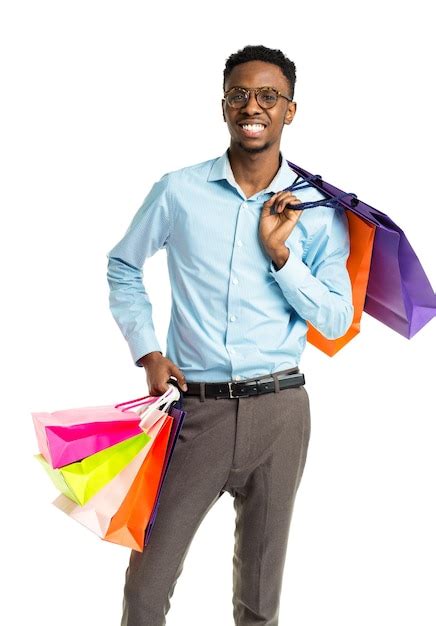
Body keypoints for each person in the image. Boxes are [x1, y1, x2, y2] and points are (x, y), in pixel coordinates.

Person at [106, 44, 354, 626]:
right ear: (223, 106)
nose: (253, 106)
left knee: (259, 602)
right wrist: (148, 350)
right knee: (146, 590)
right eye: (240, 93)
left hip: (280, 412)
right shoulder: (178, 191)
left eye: (269, 95)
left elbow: (337, 319)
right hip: (195, 412)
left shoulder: (318, 209)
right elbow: (123, 266)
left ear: (290, 111)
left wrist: (281, 256)